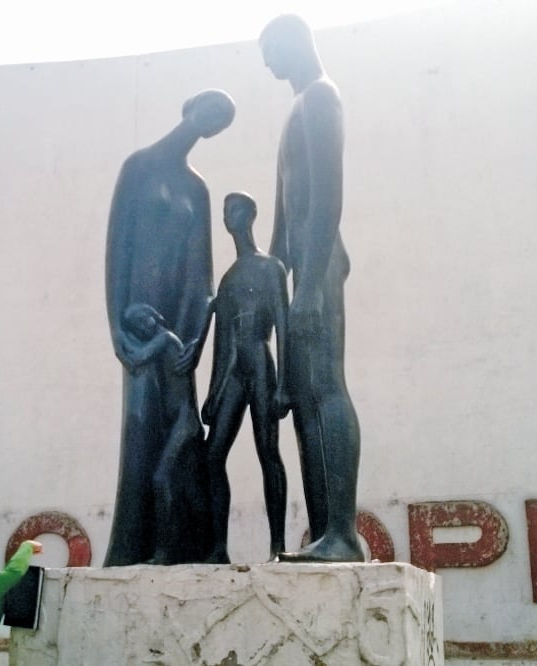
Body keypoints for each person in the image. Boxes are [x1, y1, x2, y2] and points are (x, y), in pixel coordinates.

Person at [104, 89, 236, 566]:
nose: (212, 122)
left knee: (178, 442)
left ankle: (184, 545)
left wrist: (195, 338)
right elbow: (117, 251)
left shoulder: (197, 189)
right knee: (141, 427)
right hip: (138, 324)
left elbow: (202, 275)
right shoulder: (138, 167)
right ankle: (130, 547)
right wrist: (116, 324)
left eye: (220, 122)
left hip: (178, 334)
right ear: (191, 106)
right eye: (212, 110)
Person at [259, 14, 365, 562]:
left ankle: (343, 533)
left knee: (325, 389)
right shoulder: (297, 107)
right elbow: (283, 216)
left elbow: (327, 196)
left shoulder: (322, 96)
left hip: (318, 267)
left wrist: (307, 289)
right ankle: (325, 531)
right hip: (299, 270)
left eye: (271, 51)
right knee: (302, 399)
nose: (268, 64)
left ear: (295, 39)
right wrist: (270, 280)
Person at [202, 192, 290, 563]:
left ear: (251, 215)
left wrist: (285, 385)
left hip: (260, 362)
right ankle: (218, 548)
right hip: (233, 371)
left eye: (234, 209)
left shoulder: (270, 267)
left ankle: (277, 545)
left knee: (267, 451)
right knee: (212, 456)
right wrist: (213, 393)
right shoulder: (228, 279)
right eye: (225, 211)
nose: (228, 216)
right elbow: (221, 341)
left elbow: (283, 325)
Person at [122, 302, 207, 564]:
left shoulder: (167, 338)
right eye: (135, 325)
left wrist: (121, 336)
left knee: (161, 479)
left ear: (154, 315)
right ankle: (202, 546)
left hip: (185, 423)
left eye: (142, 318)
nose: (141, 326)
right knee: (191, 489)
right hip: (177, 424)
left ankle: (165, 551)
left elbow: (137, 358)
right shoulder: (161, 341)